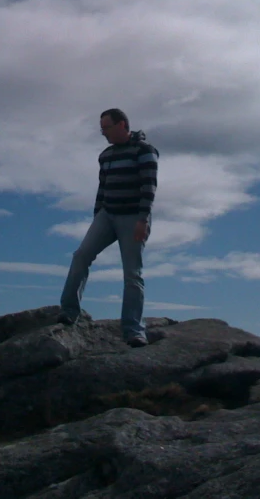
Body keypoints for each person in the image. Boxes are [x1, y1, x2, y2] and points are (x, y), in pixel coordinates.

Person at [59, 108, 159, 347]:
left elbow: (149, 187)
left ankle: (134, 330)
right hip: (107, 215)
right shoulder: (106, 156)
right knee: (81, 255)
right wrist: (97, 216)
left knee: (132, 273)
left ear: (122, 125)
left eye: (107, 128)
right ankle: (69, 311)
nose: (103, 133)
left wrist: (142, 220)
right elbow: (101, 188)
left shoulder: (145, 151)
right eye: (101, 129)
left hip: (133, 217)